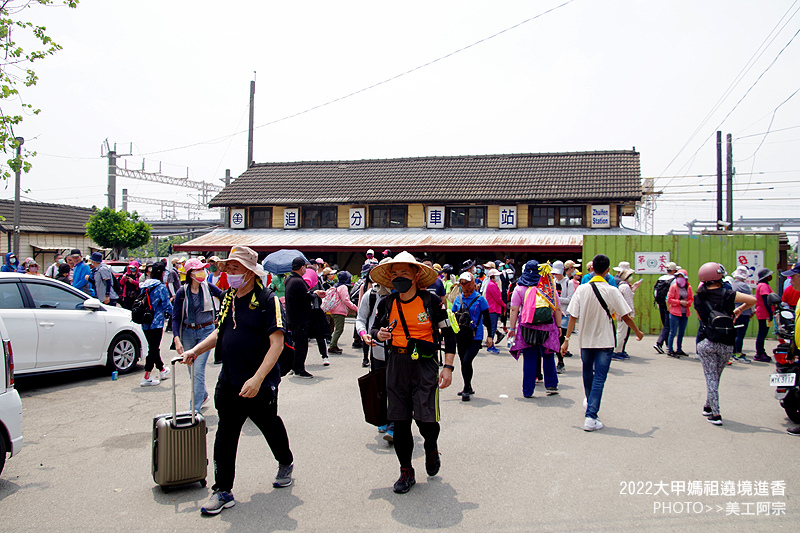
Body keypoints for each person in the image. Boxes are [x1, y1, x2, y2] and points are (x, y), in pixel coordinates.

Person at [179, 246, 295, 516]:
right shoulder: (230, 297)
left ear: (250, 273)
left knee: (270, 425)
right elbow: (219, 332)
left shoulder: (268, 300)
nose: (228, 272)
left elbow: (276, 345)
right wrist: (195, 351)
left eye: (234, 268)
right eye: (227, 267)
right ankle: (222, 490)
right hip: (229, 380)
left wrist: (257, 378)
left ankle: (285, 461)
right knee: (226, 434)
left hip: (259, 383)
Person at [371, 251, 456, 494]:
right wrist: (378, 334)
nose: (399, 278)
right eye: (394, 274)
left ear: (416, 275)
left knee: (425, 420)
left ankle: (431, 446)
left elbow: (449, 335)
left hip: (424, 366)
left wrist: (448, 368)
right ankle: (406, 470)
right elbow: (375, 329)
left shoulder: (431, 302)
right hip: (396, 365)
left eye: (404, 274)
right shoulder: (387, 303)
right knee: (400, 421)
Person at [561, 254, 644, 431]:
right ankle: (591, 416)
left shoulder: (582, 289)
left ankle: (590, 404)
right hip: (605, 340)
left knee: (587, 374)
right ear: (607, 271)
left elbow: (573, 316)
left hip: (585, 340)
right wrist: (637, 331)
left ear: (592, 271)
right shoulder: (612, 290)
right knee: (599, 378)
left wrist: (566, 340)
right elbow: (625, 316)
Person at [694, 262, 756, 425]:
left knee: (710, 377)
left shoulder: (698, 297)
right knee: (716, 377)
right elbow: (752, 300)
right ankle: (708, 407)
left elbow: (701, 319)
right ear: (718, 277)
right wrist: (739, 310)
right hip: (727, 342)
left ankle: (715, 414)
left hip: (707, 341)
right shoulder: (728, 294)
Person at [172, 258, 224, 411]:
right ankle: (203, 394)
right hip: (188, 332)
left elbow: (224, 296)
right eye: (198, 270)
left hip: (206, 332)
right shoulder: (182, 292)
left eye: (203, 269)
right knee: (192, 370)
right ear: (190, 273)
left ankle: (193, 410)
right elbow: (175, 317)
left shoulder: (208, 287)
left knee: (198, 369)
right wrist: (176, 338)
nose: (202, 272)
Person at [508, 260, 562, 398]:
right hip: (547, 327)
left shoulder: (519, 289)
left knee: (530, 358)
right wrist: (559, 326)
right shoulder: (548, 287)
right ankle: (551, 385)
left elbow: (514, 309)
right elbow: (557, 308)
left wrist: (512, 328)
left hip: (527, 327)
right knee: (548, 355)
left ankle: (528, 390)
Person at [356, 270, 395, 439]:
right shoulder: (371, 296)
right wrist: (364, 334)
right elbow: (361, 318)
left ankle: (394, 424)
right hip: (377, 349)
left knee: (396, 387)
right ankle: (383, 418)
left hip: (400, 351)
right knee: (380, 386)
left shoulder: (404, 294)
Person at [451, 272, 492, 400]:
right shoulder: (458, 298)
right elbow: (452, 315)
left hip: (475, 336)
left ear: (472, 282)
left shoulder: (480, 299)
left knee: (467, 361)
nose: (464, 285)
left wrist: (490, 336)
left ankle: (466, 388)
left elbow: (487, 319)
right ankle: (467, 386)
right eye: (461, 283)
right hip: (460, 335)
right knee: (463, 362)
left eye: (466, 282)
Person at [285, 257, 327, 378]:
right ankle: (299, 369)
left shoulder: (289, 279)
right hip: (299, 318)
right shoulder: (298, 281)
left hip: (292, 317)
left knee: (296, 343)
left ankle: (295, 366)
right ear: (302, 267)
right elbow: (307, 296)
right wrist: (316, 293)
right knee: (301, 345)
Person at [139, 262, 173, 387]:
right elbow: (167, 306)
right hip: (156, 322)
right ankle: (146, 376)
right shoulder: (160, 287)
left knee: (153, 347)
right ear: (162, 273)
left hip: (145, 321)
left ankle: (162, 370)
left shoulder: (145, 285)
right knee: (153, 349)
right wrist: (177, 315)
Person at [327, 271, 359, 355]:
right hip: (339, 311)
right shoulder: (343, 287)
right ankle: (332, 346)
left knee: (337, 328)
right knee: (339, 329)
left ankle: (334, 345)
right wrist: (356, 308)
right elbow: (346, 300)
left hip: (334, 310)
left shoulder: (337, 286)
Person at [666, 269, 693, 357]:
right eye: (678, 277)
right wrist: (680, 302)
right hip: (675, 312)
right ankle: (670, 350)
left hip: (685, 312)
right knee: (673, 332)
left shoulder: (688, 287)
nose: (680, 279)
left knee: (681, 332)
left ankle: (679, 349)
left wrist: (687, 303)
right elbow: (669, 299)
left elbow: (691, 299)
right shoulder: (673, 287)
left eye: (682, 277)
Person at [653, 262, 679, 354]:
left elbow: (655, 292)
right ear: (674, 270)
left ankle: (668, 344)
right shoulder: (674, 280)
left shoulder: (661, 278)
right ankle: (659, 343)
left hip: (660, 304)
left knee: (665, 323)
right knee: (668, 325)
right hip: (669, 305)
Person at [613, 268, 638, 360]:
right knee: (621, 333)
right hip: (625, 313)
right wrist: (631, 314)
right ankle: (617, 351)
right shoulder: (625, 287)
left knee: (621, 332)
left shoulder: (621, 286)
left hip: (621, 312)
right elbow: (628, 301)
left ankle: (618, 350)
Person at [730, 266, 753, 363]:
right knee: (740, 335)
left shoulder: (732, 284)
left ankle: (733, 352)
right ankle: (738, 354)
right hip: (743, 313)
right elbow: (750, 300)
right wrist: (751, 311)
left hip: (734, 312)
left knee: (734, 334)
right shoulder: (744, 286)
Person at [753, 268, 775, 362]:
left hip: (763, 312)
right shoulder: (763, 286)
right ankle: (759, 353)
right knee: (762, 333)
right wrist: (770, 313)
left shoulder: (762, 285)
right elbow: (766, 301)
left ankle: (761, 351)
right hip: (764, 313)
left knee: (762, 333)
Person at [483, 269, 505, 354]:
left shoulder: (493, 284)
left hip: (493, 308)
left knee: (493, 327)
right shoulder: (492, 285)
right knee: (492, 328)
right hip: (493, 309)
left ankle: (491, 345)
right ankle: (490, 346)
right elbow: (497, 298)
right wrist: (504, 305)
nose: (498, 277)